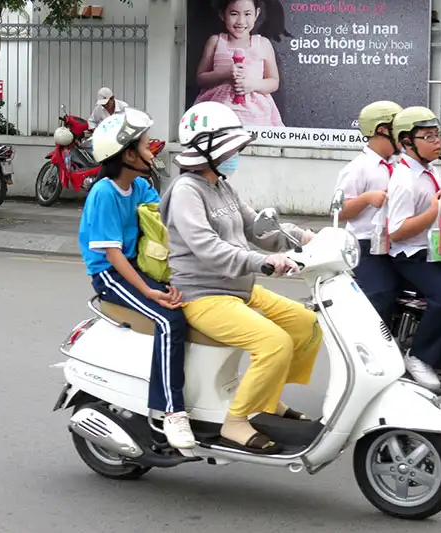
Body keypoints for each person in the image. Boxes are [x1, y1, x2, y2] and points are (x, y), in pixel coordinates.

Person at [161, 101, 320, 455]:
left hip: (238, 290)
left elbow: (259, 228)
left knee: (305, 323)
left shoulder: (222, 185)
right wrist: (262, 262)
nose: (237, 153)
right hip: (203, 295)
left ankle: (268, 400)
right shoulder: (187, 191)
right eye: (231, 147)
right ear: (207, 146)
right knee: (274, 342)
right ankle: (235, 422)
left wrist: (307, 237)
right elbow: (207, 247)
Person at [77, 108, 195, 449]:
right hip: (111, 274)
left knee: (187, 303)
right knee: (169, 318)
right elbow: (112, 254)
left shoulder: (140, 186)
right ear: (128, 154)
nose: (152, 150)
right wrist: (151, 292)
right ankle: (172, 411)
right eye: (144, 145)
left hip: (137, 268)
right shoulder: (105, 193)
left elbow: (166, 223)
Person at [386, 106, 441, 390]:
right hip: (412, 255)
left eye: (437, 135)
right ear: (407, 142)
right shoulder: (404, 180)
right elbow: (395, 231)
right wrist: (435, 212)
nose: (436, 142)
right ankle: (419, 356)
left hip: (433, 249)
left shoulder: (426, 170)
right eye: (428, 137)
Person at [334, 100, 403, 324]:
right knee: (380, 292)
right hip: (364, 244)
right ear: (382, 130)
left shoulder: (400, 165)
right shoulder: (358, 168)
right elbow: (339, 211)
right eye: (399, 128)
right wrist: (366, 198)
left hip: (396, 240)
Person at [194, 0, 289, 127]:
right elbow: (201, 78)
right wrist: (225, 74)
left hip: (254, 115)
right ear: (222, 15)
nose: (241, 21)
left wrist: (251, 85)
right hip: (218, 112)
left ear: (256, 14)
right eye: (234, 14)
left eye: (247, 14)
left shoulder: (263, 44)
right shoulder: (216, 42)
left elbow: (273, 82)